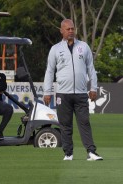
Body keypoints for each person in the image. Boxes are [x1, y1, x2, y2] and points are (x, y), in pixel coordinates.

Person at [43, 19, 103, 161]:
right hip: (63, 94)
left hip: (81, 93)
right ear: (61, 30)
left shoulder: (84, 46)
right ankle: (68, 153)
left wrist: (93, 87)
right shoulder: (55, 49)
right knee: (65, 125)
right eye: (68, 29)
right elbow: (50, 71)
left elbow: (91, 69)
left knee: (84, 123)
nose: (71, 31)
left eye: (72, 29)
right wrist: (47, 92)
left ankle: (91, 152)